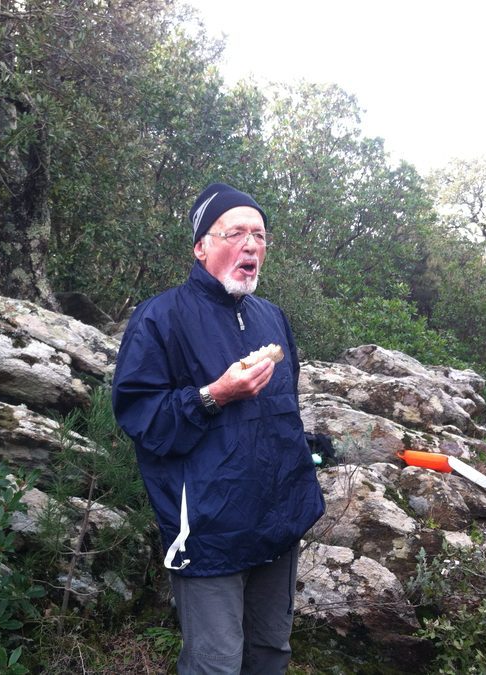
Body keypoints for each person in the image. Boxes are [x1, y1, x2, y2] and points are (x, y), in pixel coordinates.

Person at [112, 183, 325, 674]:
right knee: (217, 664)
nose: (251, 245)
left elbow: (281, 411)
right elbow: (143, 418)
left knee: (270, 652)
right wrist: (214, 394)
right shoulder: (160, 317)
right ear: (201, 247)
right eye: (236, 233)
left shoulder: (272, 318)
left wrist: (307, 448)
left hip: (278, 520)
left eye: (260, 235)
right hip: (209, 529)